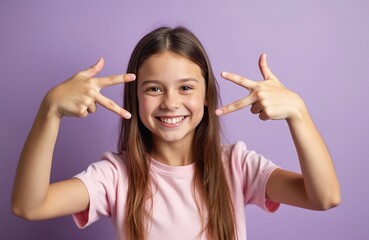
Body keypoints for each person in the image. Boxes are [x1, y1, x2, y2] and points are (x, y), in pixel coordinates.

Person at [12, 26, 340, 240]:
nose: (170, 103)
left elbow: (324, 197)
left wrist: (298, 113)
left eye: (185, 87)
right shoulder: (115, 175)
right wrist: (50, 110)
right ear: (135, 97)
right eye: (154, 88)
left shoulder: (237, 165)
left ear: (207, 95)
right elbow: (29, 206)